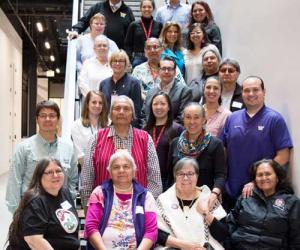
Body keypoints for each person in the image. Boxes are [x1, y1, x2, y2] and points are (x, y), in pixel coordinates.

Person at [220, 76, 293, 211]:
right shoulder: (232, 118)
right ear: (242, 93)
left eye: (255, 90)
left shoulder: (274, 119)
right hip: (231, 189)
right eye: (247, 90)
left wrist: (257, 181)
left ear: (264, 92)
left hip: (260, 192)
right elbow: (223, 151)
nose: (251, 94)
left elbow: (284, 155)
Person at [80, 95, 162, 208]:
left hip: (138, 211)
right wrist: (91, 211)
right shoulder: (96, 138)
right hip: (103, 210)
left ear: (133, 115)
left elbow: (155, 181)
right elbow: (86, 180)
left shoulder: (145, 139)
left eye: (126, 109)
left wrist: (143, 206)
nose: (121, 112)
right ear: (110, 114)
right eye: (117, 108)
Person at [6, 100, 78, 214]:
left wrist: (69, 200)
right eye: (43, 116)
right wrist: (17, 213)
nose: (48, 119)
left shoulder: (68, 148)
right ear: (37, 119)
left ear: (58, 119)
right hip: (32, 210)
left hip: (60, 211)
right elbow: (14, 182)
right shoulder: (24, 148)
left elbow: (73, 179)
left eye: (52, 116)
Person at [84, 151, 157, 250]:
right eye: (116, 167)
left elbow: (151, 231)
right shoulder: (99, 193)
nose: (121, 170)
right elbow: (91, 226)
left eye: (126, 166)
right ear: (110, 172)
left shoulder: (146, 196)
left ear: (134, 170)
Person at [7, 158, 79, 250]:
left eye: (58, 171)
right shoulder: (35, 202)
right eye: (49, 172)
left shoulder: (64, 192)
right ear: (39, 176)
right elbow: (34, 241)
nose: (55, 175)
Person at [226, 159, 300, 250]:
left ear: (277, 177)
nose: (264, 178)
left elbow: (296, 238)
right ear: (255, 179)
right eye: (260, 175)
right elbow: (231, 223)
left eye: (268, 174)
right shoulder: (246, 196)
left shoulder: (292, 202)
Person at [156, 158, 228, 249]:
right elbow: (156, 233)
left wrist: (207, 214)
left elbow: (223, 235)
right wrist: (184, 245)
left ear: (197, 176)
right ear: (175, 176)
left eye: (190, 173)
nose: (185, 178)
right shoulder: (163, 200)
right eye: (180, 174)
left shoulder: (208, 198)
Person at [168, 103, 226, 209]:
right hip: (176, 200)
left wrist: (214, 193)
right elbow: (168, 175)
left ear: (204, 119)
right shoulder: (175, 143)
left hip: (203, 201)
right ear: (183, 120)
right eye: (188, 117)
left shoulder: (215, 144)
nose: (192, 122)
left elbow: (220, 175)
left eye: (196, 117)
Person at [144, 92, 184, 191]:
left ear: (169, 107)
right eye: (155, 104)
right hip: (147, 178)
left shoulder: (177, 129)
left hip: (167, 179)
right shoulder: (145, 130)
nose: (158, 107)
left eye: (162, 104)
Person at [142, 56, 192, 124]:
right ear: (158, 71)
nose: (166, 72)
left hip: (173, 132)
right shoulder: (151, 92)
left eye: (169, 69)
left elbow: (183, 117)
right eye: (163, 69)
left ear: (174, 72)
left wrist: (163, 129)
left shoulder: (184, 91)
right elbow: (144, 115)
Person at [99, 50, 143, 127]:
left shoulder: (134, 83)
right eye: (114, 61)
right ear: (110, 63)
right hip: (106, 127)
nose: (117, 63)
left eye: (121, 61)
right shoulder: (103, 84)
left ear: (126, 63)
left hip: (127, 127)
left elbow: (136, 110)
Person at [69, 0, 135, 49]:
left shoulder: (128, 11)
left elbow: (132, 35)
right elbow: (84, 21)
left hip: (117, 54)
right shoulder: (98, 7)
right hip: (97, 49)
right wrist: (76, 30)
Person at [71, 91, 109, 167]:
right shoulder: (77, 125)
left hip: (107, 170)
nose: (97, 105)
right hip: (86, 170)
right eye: (94, 102)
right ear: (87, 104)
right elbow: (80, 156)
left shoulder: (109, 124)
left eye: (100, 103)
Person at [124, 0, 162, 68]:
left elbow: (161, 44)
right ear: (140, 9)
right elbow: (127, 44)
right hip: (138, 59)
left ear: (153, 9)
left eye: (149, 7)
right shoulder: (133, 25)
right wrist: (131, 59)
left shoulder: (159, 25)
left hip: (154, 58)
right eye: (144, 7)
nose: (146, 9)